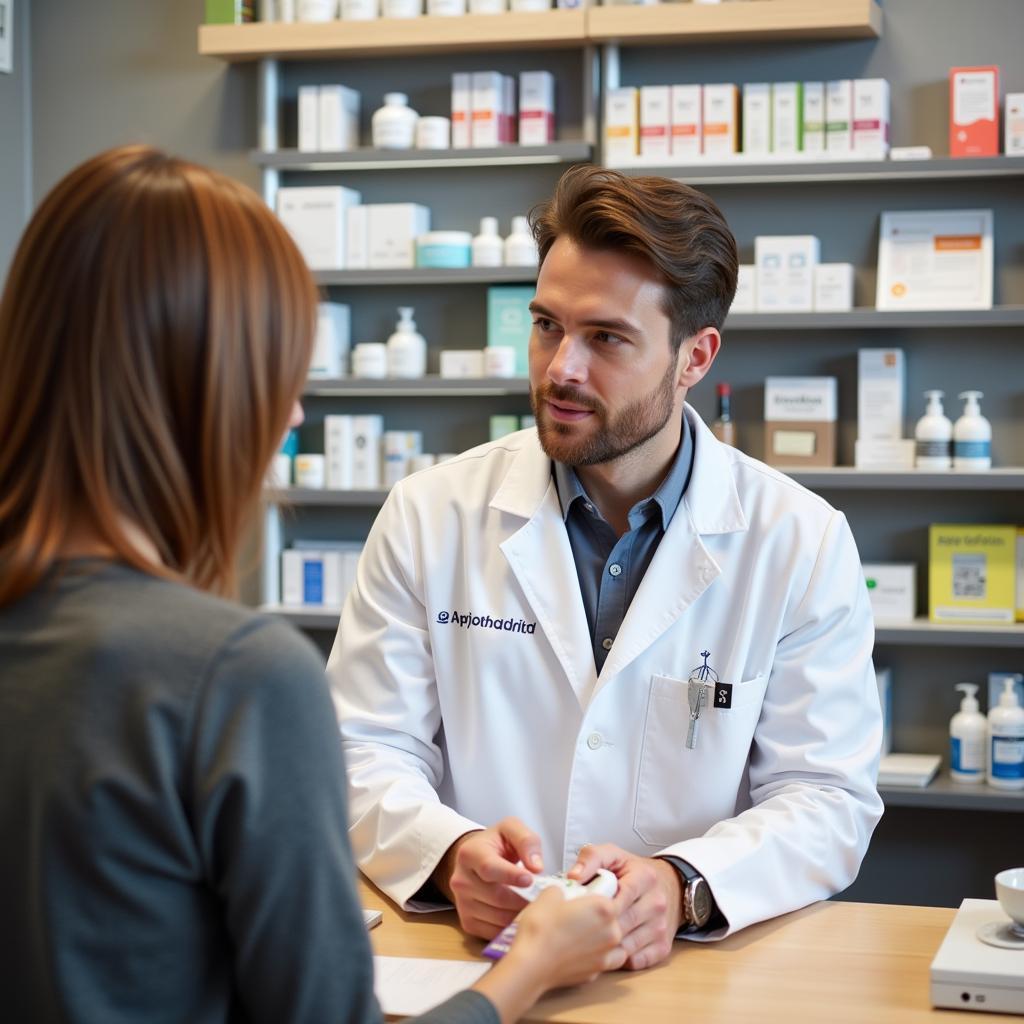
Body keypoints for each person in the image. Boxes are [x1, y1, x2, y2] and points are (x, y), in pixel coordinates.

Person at [0, 146, 626, 1024]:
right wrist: (528, 967)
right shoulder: (231, 676)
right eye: (278, 371)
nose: (292, 415)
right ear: (199, 387)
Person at [330, 165, 884, 970]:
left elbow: (827, 797)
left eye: (606, 338)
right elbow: (361, 748)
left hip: (694, 979)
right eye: (548, 325)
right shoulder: (430, 515)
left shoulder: (799, 540)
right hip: (476, 965)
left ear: (695, 357)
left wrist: (684, 883)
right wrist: (449, 857)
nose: (561, 369)